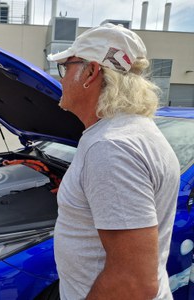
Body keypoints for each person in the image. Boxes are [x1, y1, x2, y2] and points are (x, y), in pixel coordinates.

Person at [47, 23, 180, 299]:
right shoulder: (133, 131)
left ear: (91, 72)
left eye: (66, 67)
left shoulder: (110, 148)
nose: (61, 78)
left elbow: (132, 283)